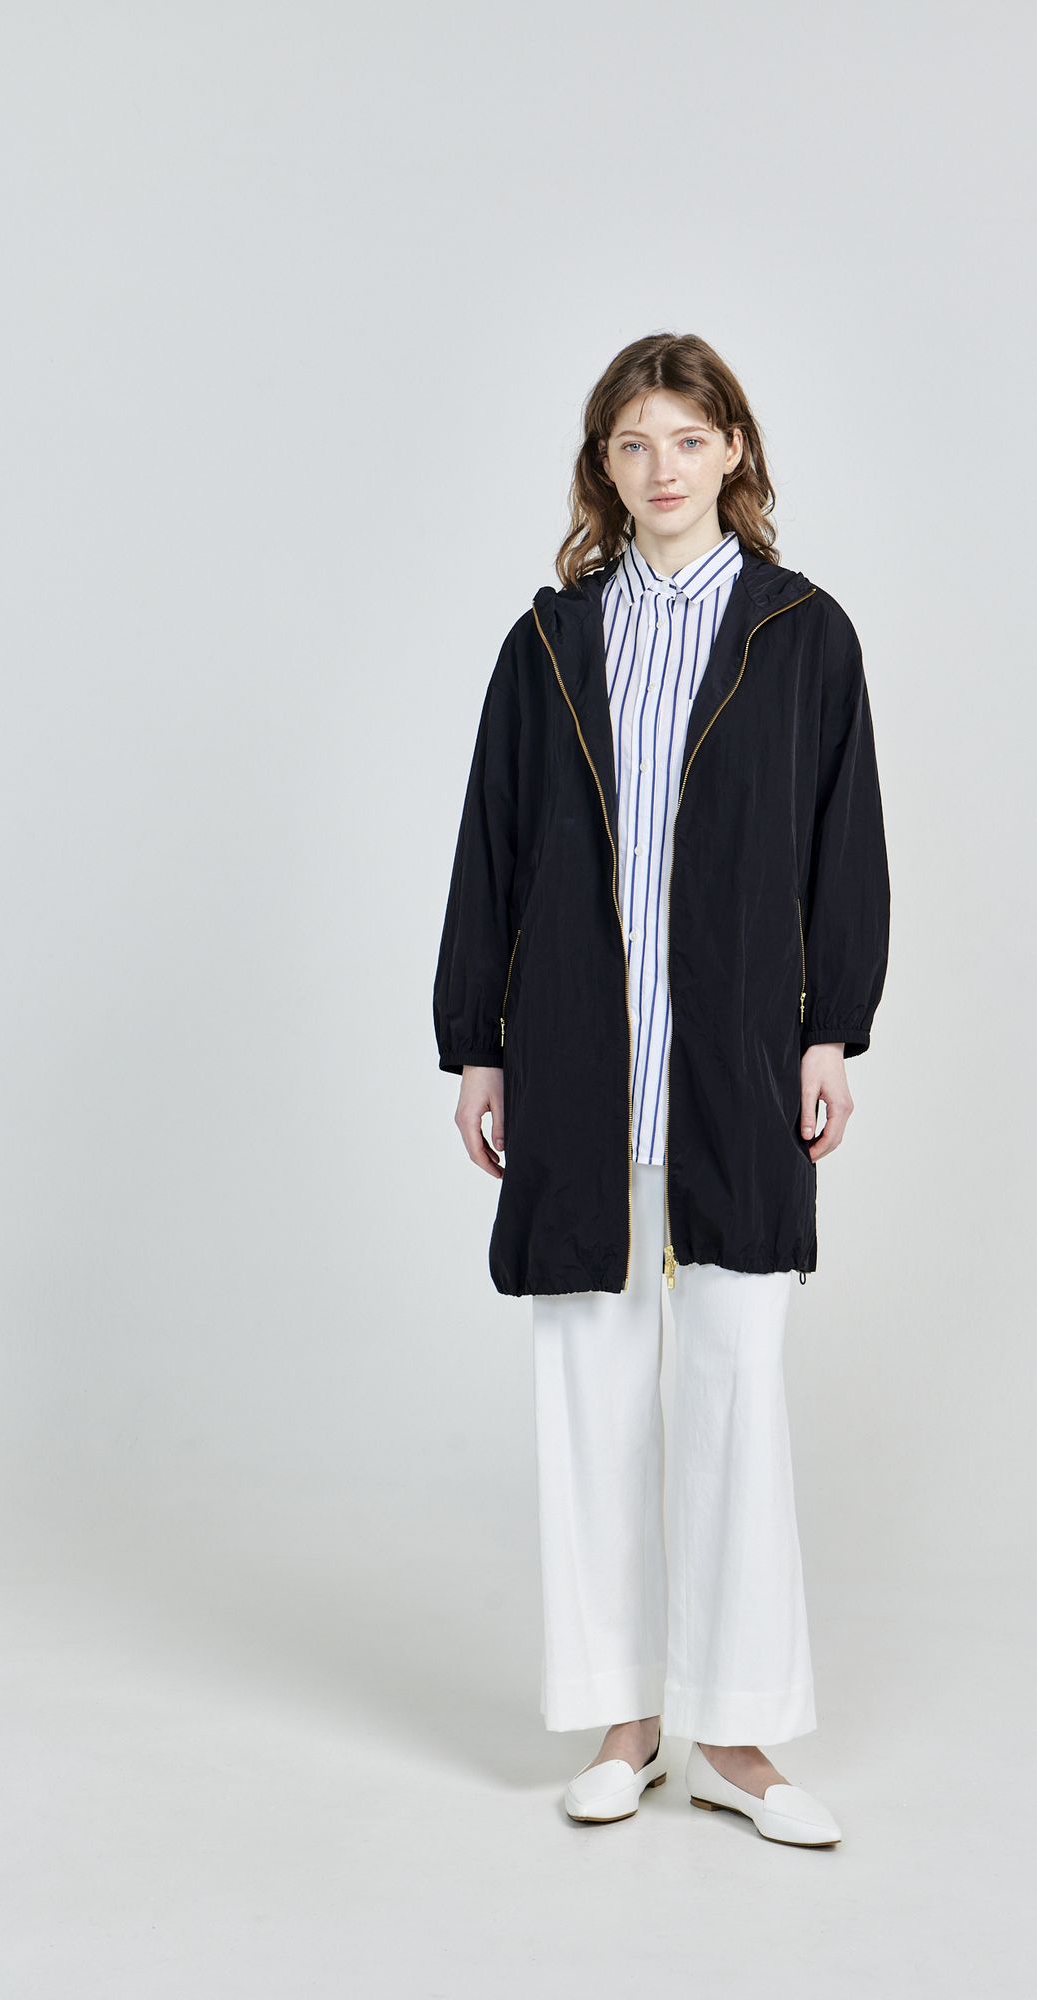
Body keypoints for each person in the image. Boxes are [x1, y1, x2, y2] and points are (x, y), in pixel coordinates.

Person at [432, 332, 890, 1847]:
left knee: (738, 1395)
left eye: (690, 437)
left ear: (734, 452)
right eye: (634, 442)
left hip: (734, 1077)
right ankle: (624, 1722)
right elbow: (492, 845)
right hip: (579, 1070)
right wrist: (478, 1045)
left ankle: (735, 1737)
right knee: (591, 1401)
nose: (664, 467)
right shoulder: (549, 640)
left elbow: (844, 841)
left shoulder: (801, 634)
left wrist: (830, 1031)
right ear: (605, 467)